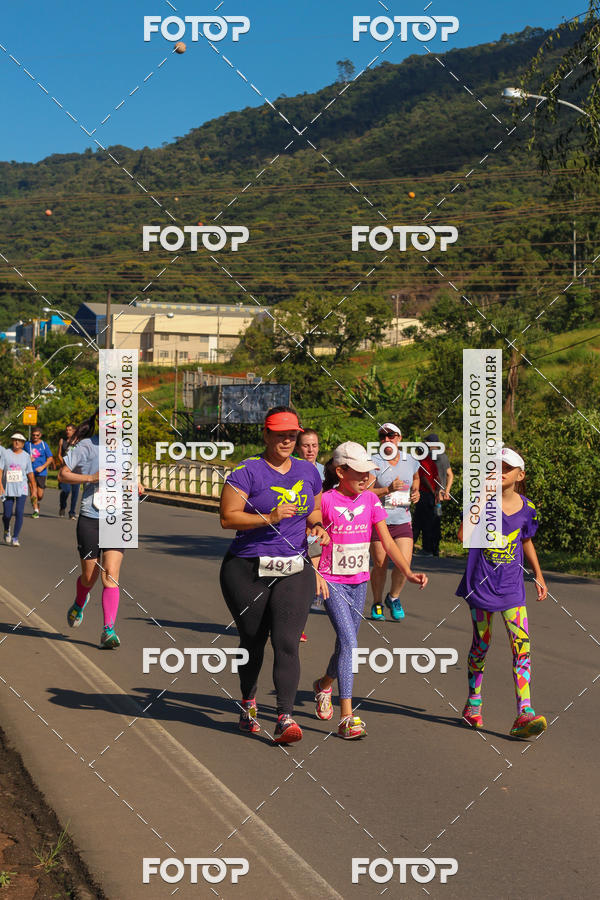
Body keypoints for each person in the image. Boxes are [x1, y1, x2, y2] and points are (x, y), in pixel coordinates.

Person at [219, 406, 330, 744]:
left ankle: (285, 718)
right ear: (265, 434)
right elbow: (227, 518)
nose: (287, 440)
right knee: (253, 640)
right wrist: (270, 517)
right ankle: (248, 704)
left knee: (287, 642)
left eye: (292, 435)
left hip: (294, 567)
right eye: (280, 434)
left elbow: (314, 509)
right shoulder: (247, 471)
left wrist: (317, 526)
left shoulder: (308, 471)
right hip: (247, 568)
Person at [312, 442, 427, 739]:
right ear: (341, 472)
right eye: (360, 472)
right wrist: (316, 573)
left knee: (345, 644)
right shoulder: (325, 500)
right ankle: (346, 717)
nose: (366, 478)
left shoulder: (371, 500)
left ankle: (324, 684)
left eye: (369, 472)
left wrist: (408, 572)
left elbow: (387, 542)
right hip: (332, 580)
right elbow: (310, 537)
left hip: (359, 581)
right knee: (350, 643)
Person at [456, 447, 548, 739]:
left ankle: (525, 712)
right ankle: (473, 703)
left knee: (522, 647)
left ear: (520, 475)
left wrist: (538, 574)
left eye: (507, 468)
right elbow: (462, 535)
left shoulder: (528, 508)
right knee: (481, 645)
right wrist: (482, 498)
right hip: (481, 586)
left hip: (512, 588)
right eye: (496, 467)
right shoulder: (482, 502)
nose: (500, 472)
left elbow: (526, 540)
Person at [59, 410, 134, 650]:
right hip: (91, 518)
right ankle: (80, 601)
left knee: (110, 574)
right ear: (101, 422)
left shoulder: (125, 447)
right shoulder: (86, 446)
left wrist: (135, 484)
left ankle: (108, 630)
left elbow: (127, 476)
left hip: (117, 517)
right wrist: (91, 478)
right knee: (89, 577)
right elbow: (63, 474)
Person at [368, 423, 420, 621]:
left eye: (391, 435)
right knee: (380, 564)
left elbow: (416, 478)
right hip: (379, 520)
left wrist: (416, 491)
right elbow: (367, 492)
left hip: (402, 520)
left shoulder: (410, 459)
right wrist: (387, 490)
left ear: (399, 438)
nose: (386, 439)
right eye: (382, 436)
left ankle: (393, 597)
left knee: (404, 563)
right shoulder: (374, 461)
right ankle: (377, 602)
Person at [295, 428, 326, 629]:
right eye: (306, 446)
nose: (310, 450)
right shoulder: (290, 469)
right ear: (298, 448)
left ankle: (298, 625)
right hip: (295, 530)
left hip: (316, 529)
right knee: (295, 577)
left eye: (314, 445)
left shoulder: (326, 471)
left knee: (312, 571)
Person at [1, 433, 36, 547]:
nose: (17, 442)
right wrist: (0, 486)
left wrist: (33, 489)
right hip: (8, 488)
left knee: (19, 512)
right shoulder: (6, 453)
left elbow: (30, 473)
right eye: (15, 440)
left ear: (23, 443)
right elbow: (0, 470)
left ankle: (15, 537)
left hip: (22, 488)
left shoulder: (26, 456)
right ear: (12, 441)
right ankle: (6, 529)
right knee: (7, 514)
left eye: (19, 441)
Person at [424, 432, 453, 558]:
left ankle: (428, 549)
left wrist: (433, 491)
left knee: (428, 521)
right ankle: (436, 549)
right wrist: (447, 491)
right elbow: (450, 475)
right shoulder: (444, 456)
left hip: (430, 494)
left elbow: (428, 476)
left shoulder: (429, 456)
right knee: (437, 521)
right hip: (440, 495)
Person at [411, 438, 440, 557]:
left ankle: (423, 549)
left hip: (424, 494)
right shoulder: (431, 462)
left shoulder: (420, 462)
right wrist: (437, 492)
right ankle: (428, 548)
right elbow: (437, 478)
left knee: (418, 522)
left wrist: (432, 491)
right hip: (431, 495)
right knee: (428, 522)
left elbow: (423, 478)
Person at [24, 427, 53, 518]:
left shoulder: (44, 445)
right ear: (31, 435)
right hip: (30, 472)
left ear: (40, 435)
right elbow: (21, 454)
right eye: (33, 435)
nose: (35, 437)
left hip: (41, 473)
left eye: (37, 435)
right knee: (33, 490)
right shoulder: (27, 444)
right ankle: (35, 510)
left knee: (39, 495)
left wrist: (42, 467)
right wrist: (27, 458)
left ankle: (37, 502)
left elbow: (50, 458)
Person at [57, 423, 80, 519]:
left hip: (76, 470)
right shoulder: (62, 441)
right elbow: (59, 454)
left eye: (69, 430)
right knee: (66, 490)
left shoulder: (79, 442)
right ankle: (62, 506)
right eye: (66, 430)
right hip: (65, 469)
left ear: (74, 431)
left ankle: (72, 512)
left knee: (75, 492)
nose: (67, 431)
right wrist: (63, 462)